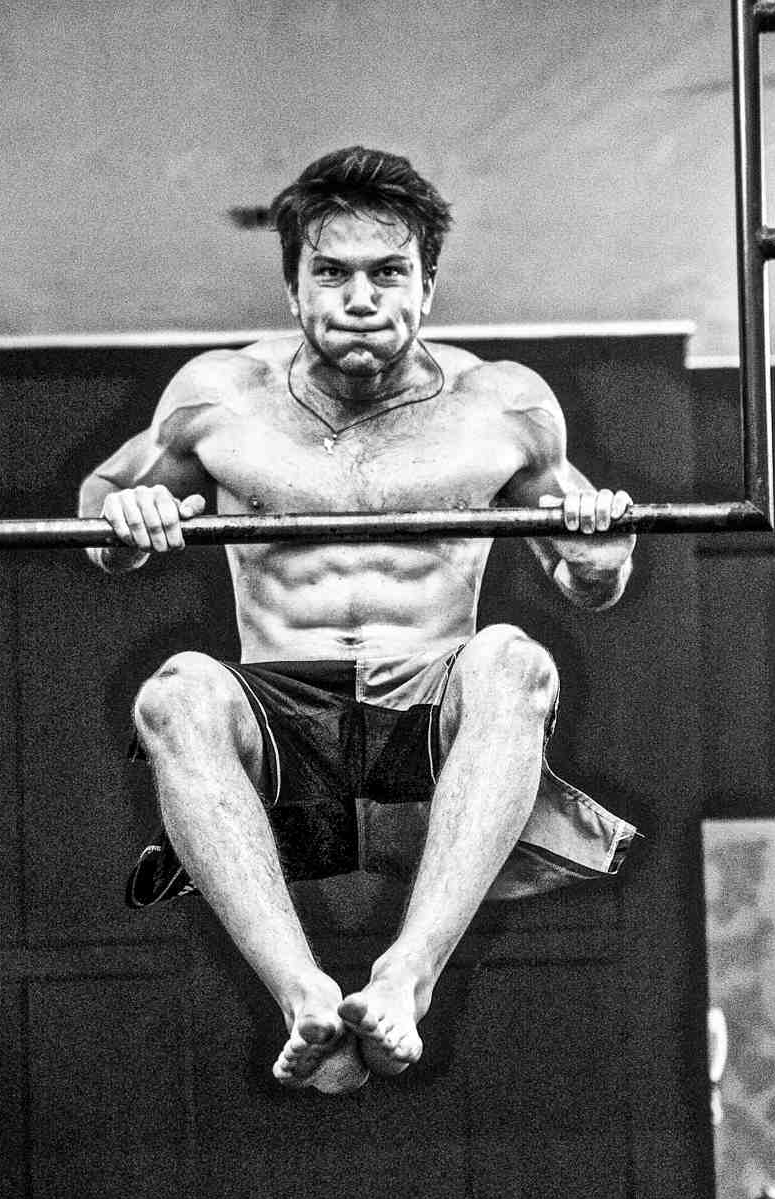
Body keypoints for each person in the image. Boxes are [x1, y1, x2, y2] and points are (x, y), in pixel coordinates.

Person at [78, 145, 638, 1095]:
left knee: (512, 658)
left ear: (428, 286)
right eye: (331, 274)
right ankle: (300, 994)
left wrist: (599, 550)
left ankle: (407, 977)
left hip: (429, 707)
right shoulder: (219, 397)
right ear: (293, 288)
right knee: (175, 692)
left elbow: (590, 585)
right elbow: (102, 517)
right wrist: (125, 521)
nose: (361, 299)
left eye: (388, 273)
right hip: (282, 712)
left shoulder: (503, 405)